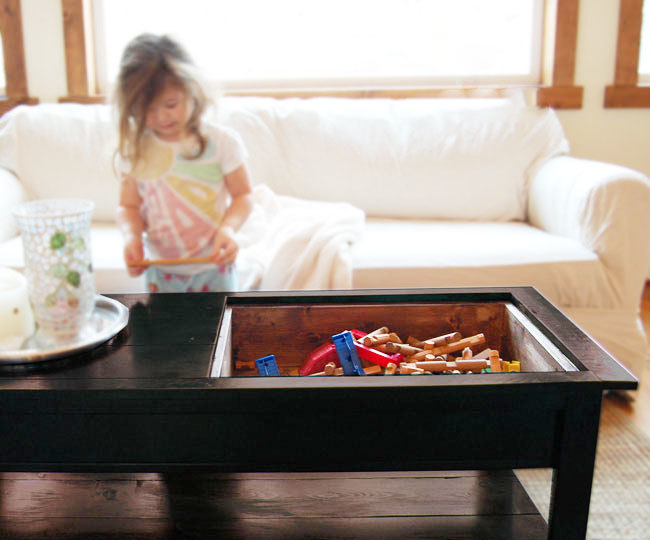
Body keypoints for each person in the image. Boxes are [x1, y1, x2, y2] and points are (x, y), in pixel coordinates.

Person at [114, 33, 253, 293]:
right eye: (148, 110)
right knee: (163, 333)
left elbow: (243, 195)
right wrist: (131, 237)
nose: (161, 117)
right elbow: (128, 205)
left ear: (192, 90)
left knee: (220, 331)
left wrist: (230, 230)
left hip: (214, 267)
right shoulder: (135, 151)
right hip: (160, 271)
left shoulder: (222, 142)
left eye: (170, 104)